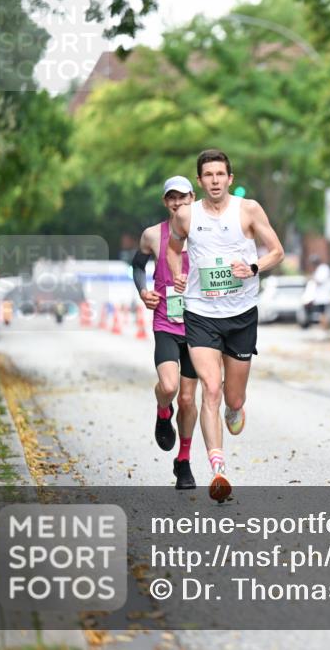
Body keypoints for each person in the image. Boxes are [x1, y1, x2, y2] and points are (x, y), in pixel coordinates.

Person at [168, 149, 284, 502]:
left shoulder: (247, 211)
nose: (215, 181)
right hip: (201, 313)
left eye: (221, 174)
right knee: (210, 387)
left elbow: (276, 251)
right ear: (199, 181)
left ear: (229, 179)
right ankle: (218, 470)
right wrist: (178, 273)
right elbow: (174, 249)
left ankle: (236, 408)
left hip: (241, 314)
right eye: (208, 175)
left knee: (231, 397)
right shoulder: (186, 216)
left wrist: (252, 268)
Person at [131, 176, 199, 490]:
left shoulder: (206, 234)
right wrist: (143, 291)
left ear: (192, 198)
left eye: (182, 198)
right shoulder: (152, 235)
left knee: (188, 400)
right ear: (165, 202)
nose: (177, 203)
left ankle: (183, 462)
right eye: (171, 198)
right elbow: (137, 265)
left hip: (200, 326)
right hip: (167, 322)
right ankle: (162, 410)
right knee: (170, 387)